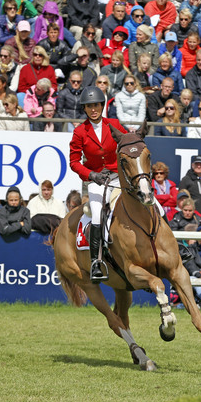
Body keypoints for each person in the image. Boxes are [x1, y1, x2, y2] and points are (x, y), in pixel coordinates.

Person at [69, 86, 129, 282]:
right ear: (85, 109)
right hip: (96, 180)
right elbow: (74, 162)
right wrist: (91, 175)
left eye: (96, 105)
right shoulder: (80, 131)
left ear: (102, 106)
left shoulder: (114, 124)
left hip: (116, 177)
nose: (93, 109)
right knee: (97, 214)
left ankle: (178, 245)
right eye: (89, 106)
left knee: (147, 200)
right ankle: (96, 261)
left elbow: (127, 143)